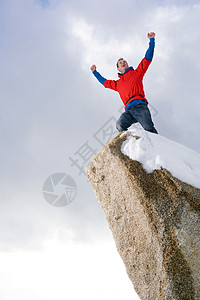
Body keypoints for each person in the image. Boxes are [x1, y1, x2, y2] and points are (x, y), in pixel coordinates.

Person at [90, 32, 158, 134]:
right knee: (119, 125)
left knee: (148, 127)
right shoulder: (117, 84)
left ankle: (157, 146)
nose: (123, 63)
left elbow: (147, 59)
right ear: (118, 68)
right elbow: (104, 82)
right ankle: (132, 142)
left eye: (124, 61)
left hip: (140, 106)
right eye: (120, 63)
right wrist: (95, 73)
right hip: (129, 110)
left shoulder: (137, 73)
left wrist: (151, 41)